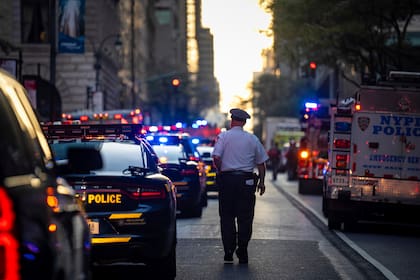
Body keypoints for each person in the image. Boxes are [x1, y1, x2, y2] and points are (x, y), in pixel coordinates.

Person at [212, 108, 268, 264]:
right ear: (244, 122)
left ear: (232, 121)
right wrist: (262, 182)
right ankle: (242, 249)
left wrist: (221, 169)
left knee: (227, 217)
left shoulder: (223, 137)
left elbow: (216, 157)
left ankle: (229, 251)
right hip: (246, 183)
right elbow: (261, 164)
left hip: (227, 181)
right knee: (245, 218)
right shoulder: (252, 139)